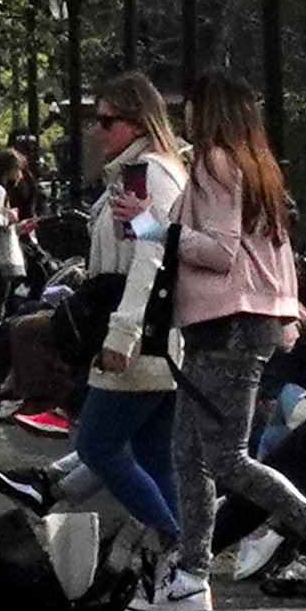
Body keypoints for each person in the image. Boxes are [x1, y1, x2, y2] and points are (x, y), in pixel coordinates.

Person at [172, 84, 306, 603]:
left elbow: (219, 250)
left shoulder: (213, 162)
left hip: (227, 321)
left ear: (208, 109)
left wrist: (158, 230)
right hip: (243, 320)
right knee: (188, 453)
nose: (183, 113)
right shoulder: (257, 166)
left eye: (191, 103)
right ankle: (189, 574)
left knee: (226, 458)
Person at [64, 78, 197, 576]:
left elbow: (151, 258)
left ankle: (174, 547)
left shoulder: (146, 173)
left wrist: (121, 334)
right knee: (154, 456)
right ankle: (184, 570)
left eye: (106, 121)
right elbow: (157, 240)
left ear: (139, 122)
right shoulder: (145, 172)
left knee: (97, 444)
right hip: (162, 337)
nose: (98, 131)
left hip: (142, 336)